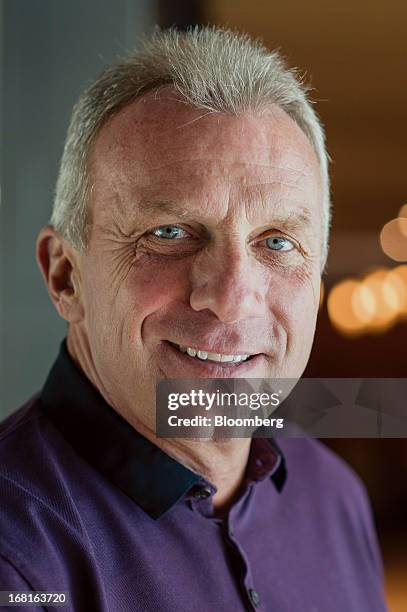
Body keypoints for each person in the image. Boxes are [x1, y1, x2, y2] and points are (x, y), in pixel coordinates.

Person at [0, 27, 387, 611]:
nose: (233, 298)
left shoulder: (334, 498)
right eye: (170, 233)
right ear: (66, 276)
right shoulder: (17, 558)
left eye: (277, 242)